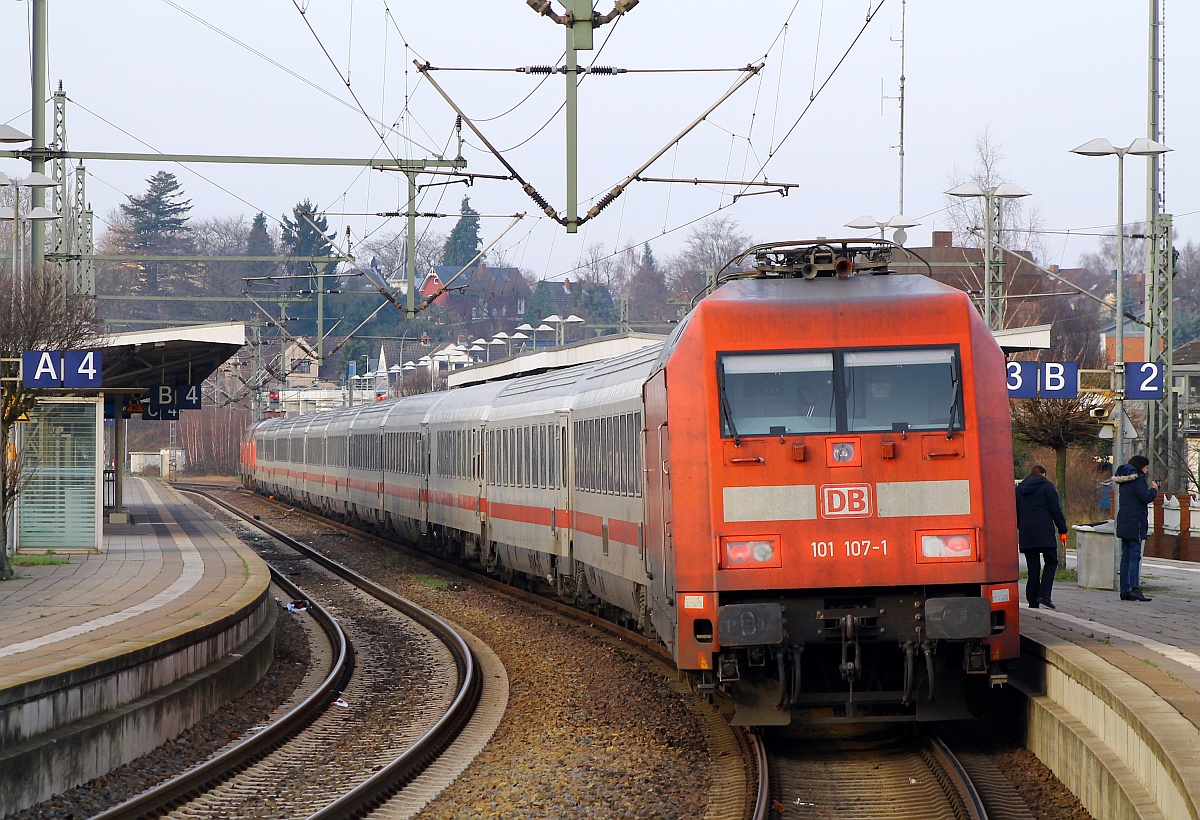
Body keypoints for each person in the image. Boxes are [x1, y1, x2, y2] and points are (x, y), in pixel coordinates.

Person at [1015, 465, 1069, 609]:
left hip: (1027, 532)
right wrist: (1063, 529)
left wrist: (1021, 527)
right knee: (1051, 562)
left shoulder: (1019, 489)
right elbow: (1055, 510)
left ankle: (1032, 601)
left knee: (1033, 568)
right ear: (1044, 474)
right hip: (1044, 531)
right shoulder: (1047, 486)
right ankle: (1044, 594)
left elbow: (1016, 511)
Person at [1114, 454, 1158, 602]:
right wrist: (1154, 490)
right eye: (1145, 467)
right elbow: (1145, 497)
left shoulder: (1124, 479)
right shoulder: (1138, 479)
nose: (1146, 471)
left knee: (1125, 555)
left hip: (1124, 520)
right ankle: (1135, 588)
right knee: (1135, 555)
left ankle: (1124, 590)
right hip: (1136, 522)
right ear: (1140, 466)